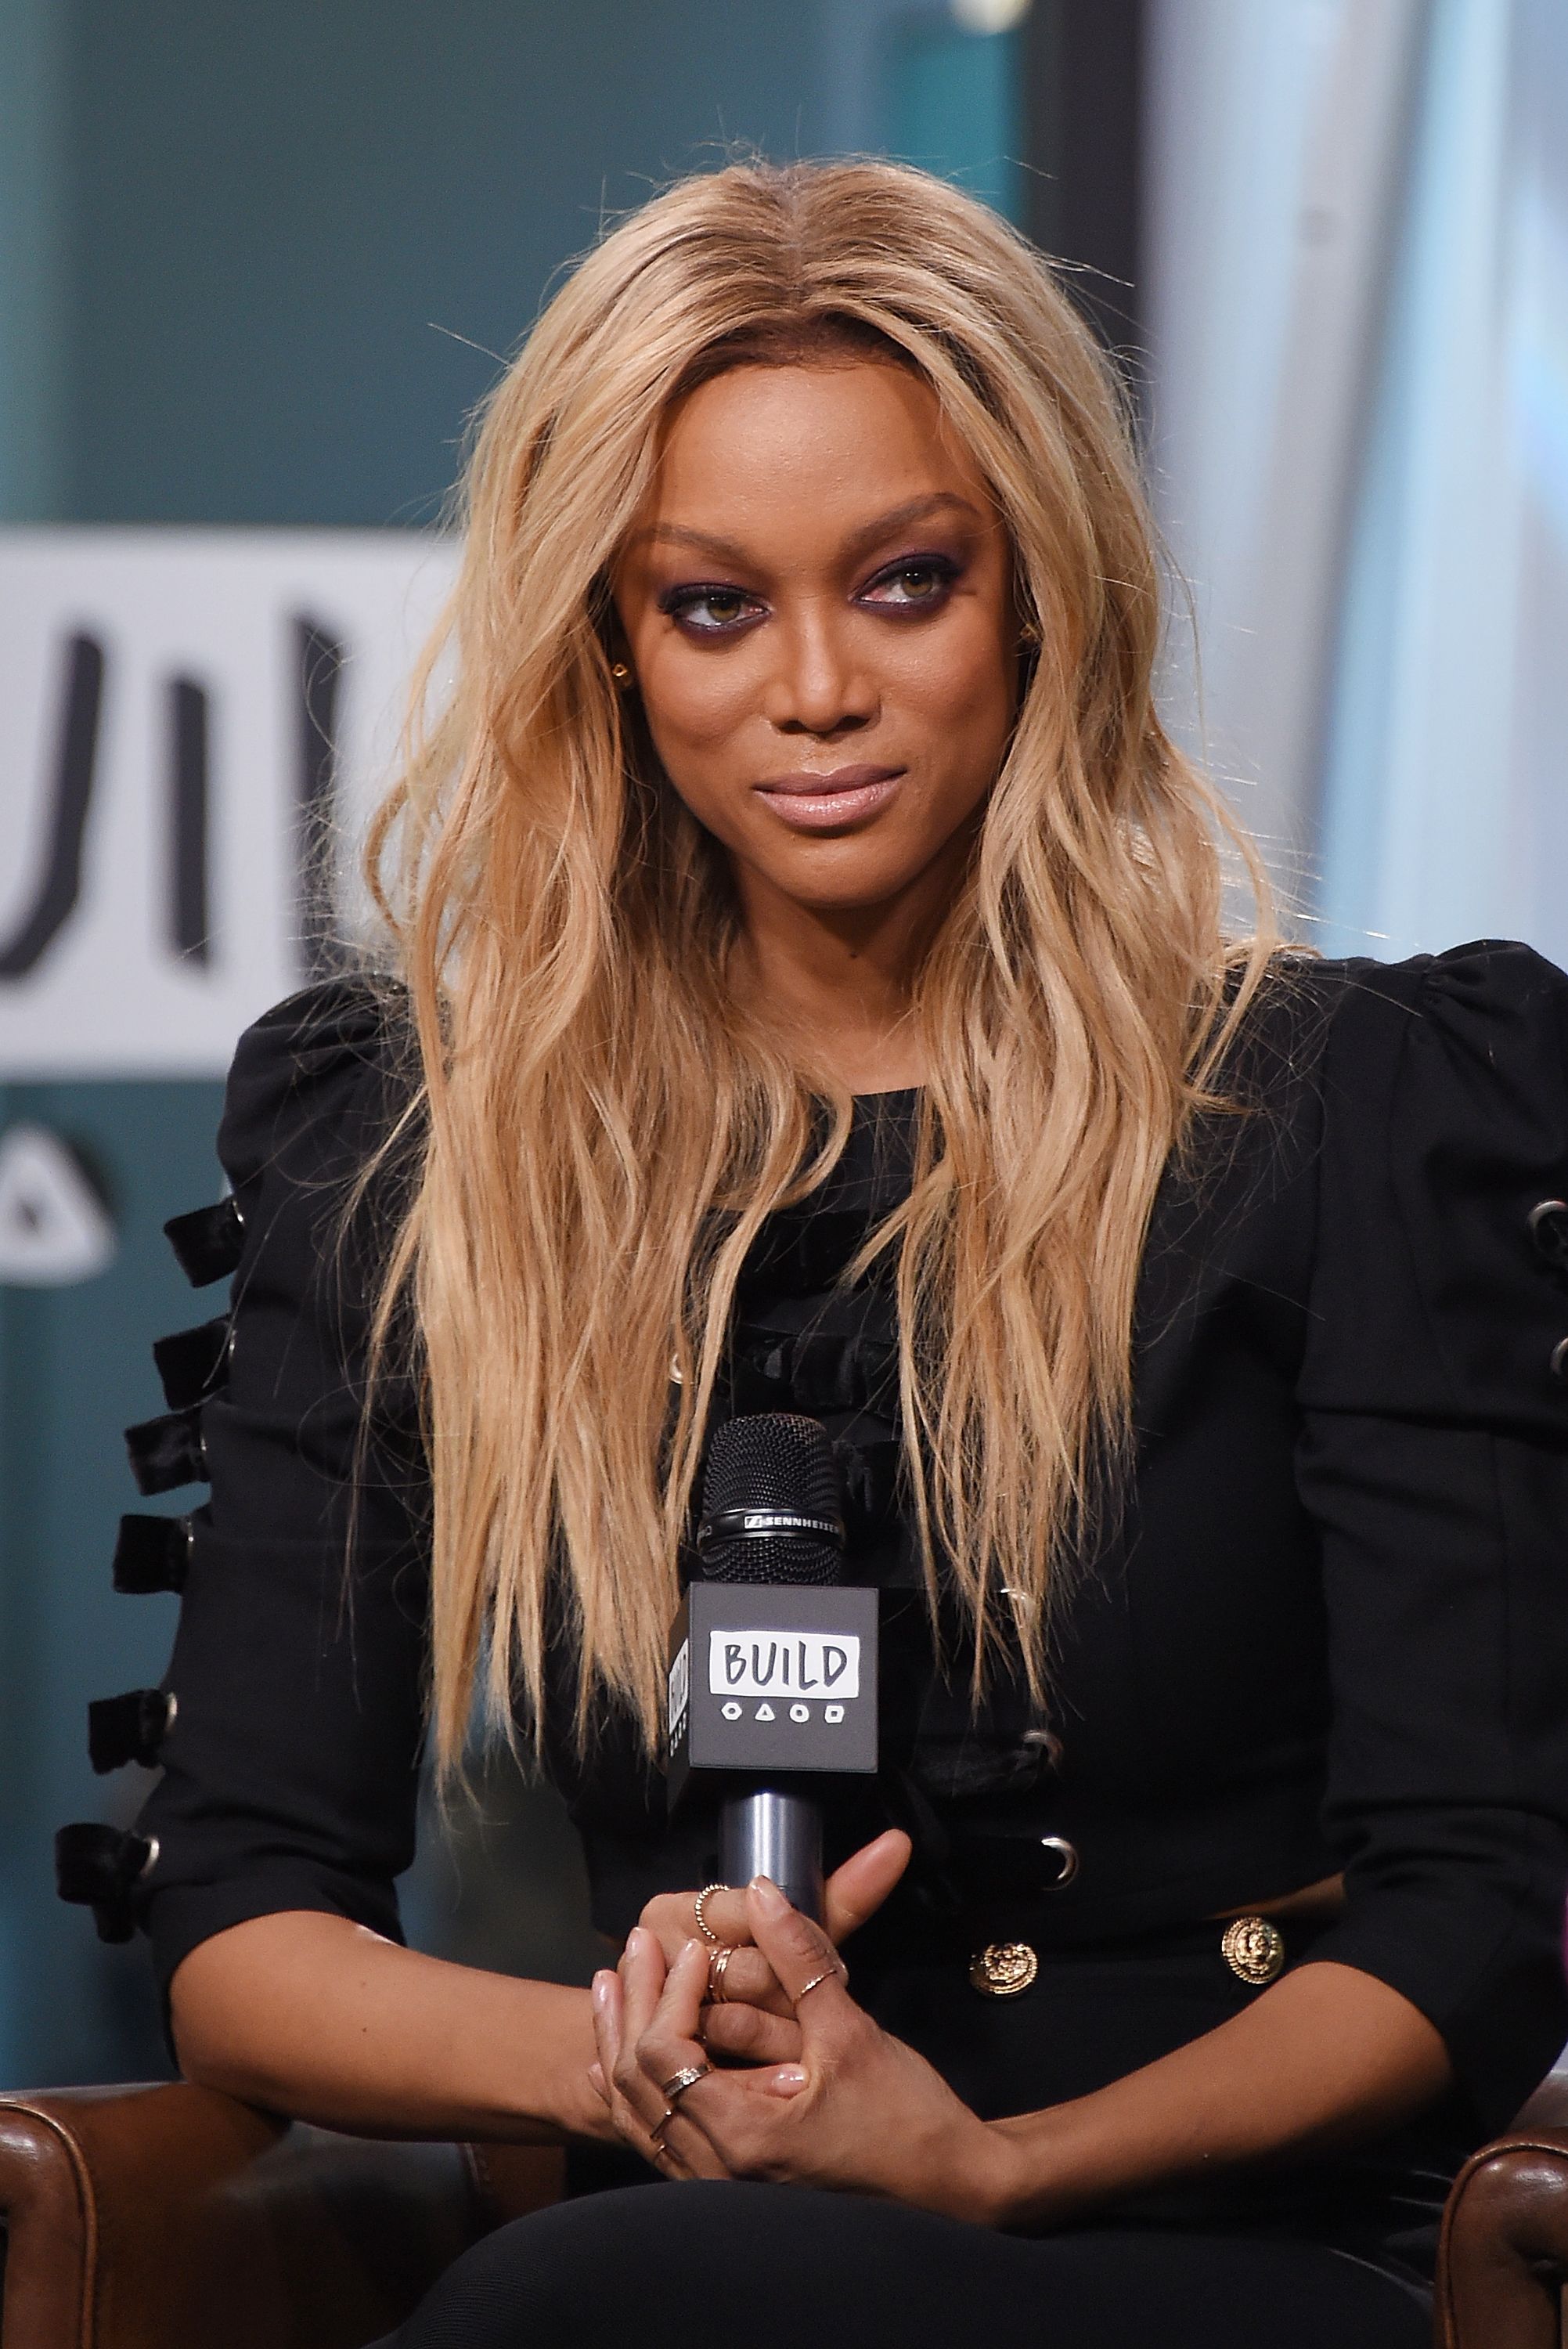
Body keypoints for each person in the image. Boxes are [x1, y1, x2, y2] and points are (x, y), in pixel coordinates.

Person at [62, 160, 1568, 2347]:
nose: (815, 691)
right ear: (604, 631)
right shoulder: (424, 1143)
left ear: (1037, 592)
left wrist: (988, 2165)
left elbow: (1474, 1918)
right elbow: (241, 1924)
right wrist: (626, 2052)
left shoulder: (1351, 1106)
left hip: (1226, 2250)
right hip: (676, 2228)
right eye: (711, 606)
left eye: (903, 582)